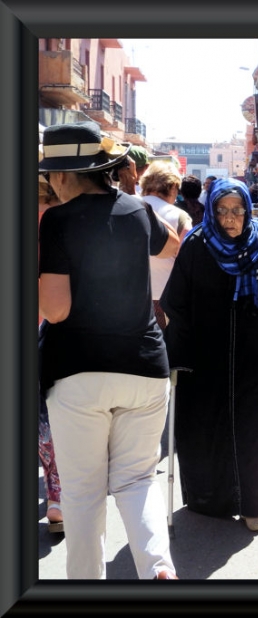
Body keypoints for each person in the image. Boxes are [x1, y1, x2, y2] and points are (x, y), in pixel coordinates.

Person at [38, 121, 180, 579]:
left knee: (82, 492)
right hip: (144, 366)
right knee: (138, 481)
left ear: (63, 175)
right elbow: (173, 246)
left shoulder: (59, 220)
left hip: (79, 370)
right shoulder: (138, 210)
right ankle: (159, 569)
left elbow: (56, 312)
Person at [160, 177, 258, 533]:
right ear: (212, 211)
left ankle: (253, 503)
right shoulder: (197, 246)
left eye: (237, 211)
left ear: (247, 211)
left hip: (255, 357)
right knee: (208, 429)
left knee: (251, 432)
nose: (231, 218)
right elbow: (176, 303)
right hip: (205, 358)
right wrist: (179, 354)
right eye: (222, 211)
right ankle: (210, 500)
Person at [139, 160, 194, 330]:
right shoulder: (179, 216)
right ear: (171, 187)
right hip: (167, 300)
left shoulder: (125, 207)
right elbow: (187, 262)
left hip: (132, 299)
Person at [37, 174, 63, 534]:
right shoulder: (64, 217)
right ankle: (59, 496)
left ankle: (56, 494)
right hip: (56, 322)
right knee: (53, 414)